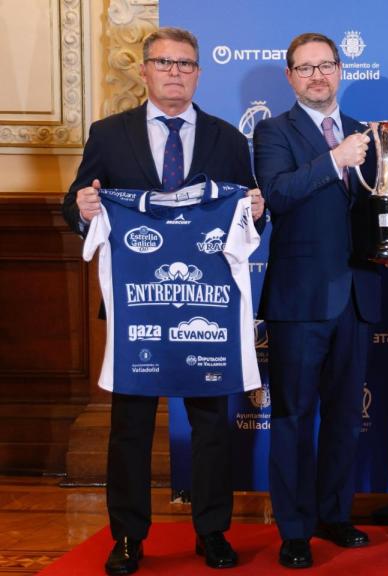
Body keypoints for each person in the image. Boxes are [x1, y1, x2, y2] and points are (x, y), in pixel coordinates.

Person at [62, 26, 265, 575]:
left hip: (205, 308)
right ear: (145, 70)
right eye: (164, 62)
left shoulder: (228, 138)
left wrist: (257, 208)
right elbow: (78, 200)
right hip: (139, 311)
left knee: (211, 425)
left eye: (185, 63)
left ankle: (213, 532)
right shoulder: (109, 134)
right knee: (128, 427)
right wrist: (78, 206)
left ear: (198, 73)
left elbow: (248, 219)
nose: (175, 71)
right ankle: (127, 536)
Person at [252, 32, 388, 569]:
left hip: (358, 294)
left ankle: (334, 515)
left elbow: (383, 204)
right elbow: (279, 197)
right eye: (305, 68)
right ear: (290, 77)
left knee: (343, 418)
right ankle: (293, 529)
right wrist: (334, 158)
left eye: (326, 65)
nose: (317, 75)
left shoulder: (366, 132)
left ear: (341, 70)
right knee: (292, 416)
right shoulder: (272, 132)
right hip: (299, 300)